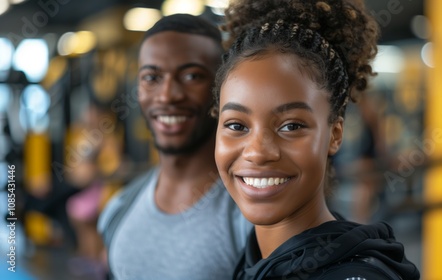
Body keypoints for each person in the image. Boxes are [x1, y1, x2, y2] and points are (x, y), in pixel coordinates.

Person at [211, 0, 420, 279]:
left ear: (335, 134)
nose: (258, 152)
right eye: (237, 125)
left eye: (291, 126)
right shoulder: (252, 261)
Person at [98, 14, 251, 279]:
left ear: (222, 88)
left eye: (192, 76)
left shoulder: (248, 215)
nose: (168, 95)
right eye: (152, 77)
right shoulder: (118, 209)